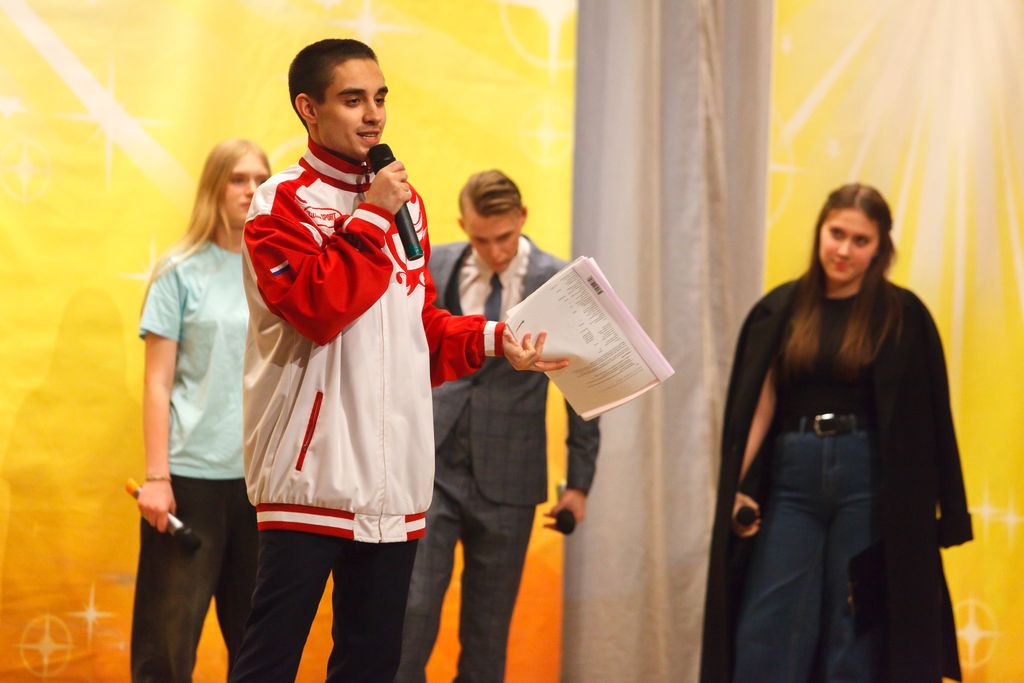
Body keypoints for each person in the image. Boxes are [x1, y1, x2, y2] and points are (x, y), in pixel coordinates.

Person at [227, 40, 562, 683]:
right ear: (308, 108)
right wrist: (374, 214)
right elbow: (318, 308)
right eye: (353, 99)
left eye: (380, 97)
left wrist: (498, 339)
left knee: (374, 663)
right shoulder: (280, 202)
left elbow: (417, 330)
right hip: (311, 480)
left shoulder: (407, 205)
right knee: (269, 661)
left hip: (395, 487)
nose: (374, 114)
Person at [700, 183, 972, 683]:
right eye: (836, 233)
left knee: (855, 627)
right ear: (820, 232)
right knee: (768, 623)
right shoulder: (781, 309)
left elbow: (931, 420)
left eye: (860, 240)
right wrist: (735, 488)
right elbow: (758, 409)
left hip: (867, 485)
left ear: (880, 246)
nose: (844, 250)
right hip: (791, 484)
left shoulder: (902, 315)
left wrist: (949, 510)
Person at [395, 170, 600, 683]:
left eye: (504, 237)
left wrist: (578, 485)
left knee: (488, 632)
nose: (495, 251)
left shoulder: (560, 281)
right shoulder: (433, 264)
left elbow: (584, 386)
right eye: (481, 239)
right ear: (463, 224)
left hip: (510, 477)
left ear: (523, 219)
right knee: (411, 614)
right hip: (432, 467)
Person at [131, 139, 271, 682]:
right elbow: (157, 381)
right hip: (189, 482)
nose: (252, 189)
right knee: (165, 652)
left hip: (262, 485)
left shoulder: (279, 272)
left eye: (261, 179)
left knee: (259, 651)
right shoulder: (179, 271)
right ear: (214, 187)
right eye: (239, 179)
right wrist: (156, 477)